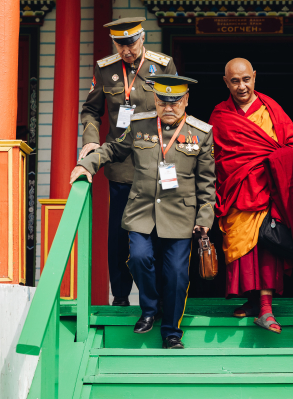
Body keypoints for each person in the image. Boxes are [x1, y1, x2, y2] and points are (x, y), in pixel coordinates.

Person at [71, 75, 215, 349]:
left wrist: (204, 218)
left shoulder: (201, 133)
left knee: (175, 274)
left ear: (186, 100)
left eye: (175, 102)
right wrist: (88, 164)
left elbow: (207, 183)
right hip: (142, 211)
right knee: (138, 258)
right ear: (156, 101)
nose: (168, 108)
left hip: (179, 215)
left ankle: (171, 331)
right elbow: (113, 148)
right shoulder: (139, 125)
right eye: (162, 102)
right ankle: (149, 309)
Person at [209, 58, 293, 334]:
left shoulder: (271, 109)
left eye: (246, 79)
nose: (242, 86)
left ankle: (266, 308)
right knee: (243, 247)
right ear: (225, 82)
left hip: (268, 188)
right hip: (236, 189)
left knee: (267, 245)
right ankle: (254, 301)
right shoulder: (220, 115)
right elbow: (217, 157)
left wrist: (273, 161)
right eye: (235, 81)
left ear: (255, 77)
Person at [79, 17, 177, 307]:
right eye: (120, 45)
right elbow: (90, 110)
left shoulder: (162, 65)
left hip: (157, 162)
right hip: (121, 164)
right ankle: (120, 295)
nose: (127, 51)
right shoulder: (105, 68)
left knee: (160, 231)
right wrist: (91, 139)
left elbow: (177, 109)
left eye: (131, 44)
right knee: (121, 233)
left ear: (142, 38)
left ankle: (158, 297)